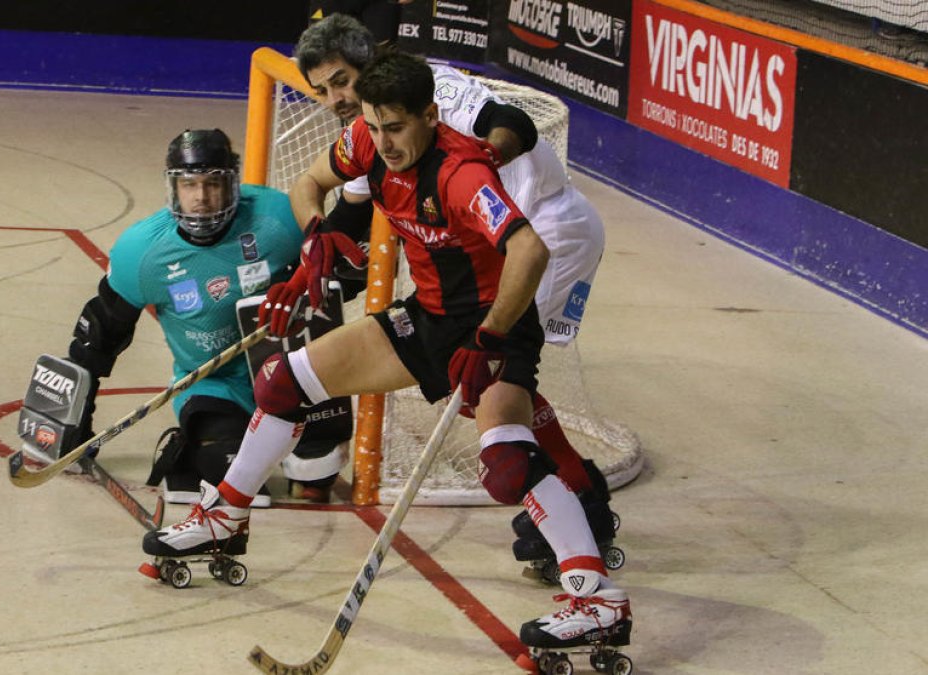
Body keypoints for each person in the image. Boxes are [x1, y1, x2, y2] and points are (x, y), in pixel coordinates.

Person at [141, 52, 632, 653]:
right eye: (374, 127)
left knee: (507, 465)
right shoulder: (365, 143)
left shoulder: (461, 173)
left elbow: (529, 251)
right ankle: (225, 517)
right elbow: (308, 184)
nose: (384, 143)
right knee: (281, 381)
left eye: (395, 128)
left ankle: (597, 597)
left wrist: (492, 337)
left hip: (492, 325)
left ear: (429, 115)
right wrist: (317, 233)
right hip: (426, 318)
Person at [294, 13, 617, 566]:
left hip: (543, 232)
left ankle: (581, 509)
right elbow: (345, 205)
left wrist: (482, 158)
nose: (334, 99)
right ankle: (572, 492)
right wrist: (315, 245)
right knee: (492, 384)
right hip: (494, 250)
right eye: (322, 90)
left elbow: (512, 119)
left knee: (494, 372)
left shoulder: (431, 93)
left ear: (372, 60)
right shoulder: (377, 126)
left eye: (342, 81)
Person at [45, 129, 347, 506]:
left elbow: (340, 269)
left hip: (291, 376)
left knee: (319, 469)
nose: (201, 198)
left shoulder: (280, 217)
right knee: (233, 475)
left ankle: (296, 448)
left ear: (233, 184)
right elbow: (99, 337)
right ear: (173, 188)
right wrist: (75, 424)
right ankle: (185, 448)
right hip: (215, 386)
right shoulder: (142, 251)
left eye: (212, 183)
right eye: (189, 185)